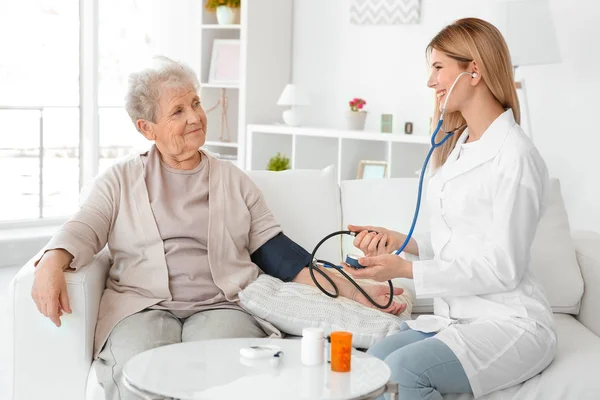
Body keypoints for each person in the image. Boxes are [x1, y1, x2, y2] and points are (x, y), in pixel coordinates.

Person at [30, 57, 406, 400]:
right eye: (178, 110)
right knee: (137, 370)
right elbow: (84, 227)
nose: (195, 117)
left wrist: (359, 291)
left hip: (221, 304)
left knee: (224, 374)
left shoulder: (232, 180)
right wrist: (51, 262)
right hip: (140, 306)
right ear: (147, 128)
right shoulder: (120, 179)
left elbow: (284, 259)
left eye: (195, 103)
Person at [344, 18, 557, 400]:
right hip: (459, 314)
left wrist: (407, 270)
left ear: (473, 70)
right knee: (372, 364)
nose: (431, 81)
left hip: (509, 321)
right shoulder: (460, 145)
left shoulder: (515, 155)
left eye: (439, 68)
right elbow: (465, 239)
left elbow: (502, 267)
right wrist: (403, 242)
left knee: (403, 372)